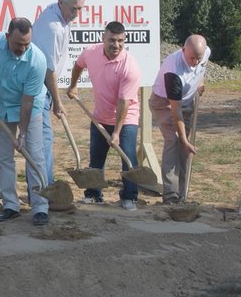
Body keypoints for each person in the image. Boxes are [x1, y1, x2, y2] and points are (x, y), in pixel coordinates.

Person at [0, 17, 49, 226]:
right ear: (7, 37)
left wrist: (22, 135)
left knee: (34, 154)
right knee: (4, 156)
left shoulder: (37, 61)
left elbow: (27, 102)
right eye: (18, 44)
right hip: (1, 105)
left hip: (29, 108)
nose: (23, 48)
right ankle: (11, 205)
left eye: (27, 43)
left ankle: (40, 207)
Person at [66, 21, 141, 210]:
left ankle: (129, 196)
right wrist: (73, 84)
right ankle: (93, 194)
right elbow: (78, 65)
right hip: (100, 116)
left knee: (128, 157)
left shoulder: (130, 66)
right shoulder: (91, 52)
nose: (116, 45)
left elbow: (124, 102)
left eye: (121, 41)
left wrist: (116, 132)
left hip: (126, 117)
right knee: (96, 158)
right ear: (103, 39)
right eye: (112, 40)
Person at [32, 0, 88, 184]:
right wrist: (57, 101)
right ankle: (44, 190)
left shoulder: (60, 15)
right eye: (73, 8)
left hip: (43, 86)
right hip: (37, 87)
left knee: (43, 139)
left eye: (80, 8)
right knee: (43, 140)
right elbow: (49, 69)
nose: (76, 13)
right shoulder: (53, 27)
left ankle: (45, 187)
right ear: (60, 2)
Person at [149, 35, 210, 204]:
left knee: (184, 149)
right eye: (192, 58)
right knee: (175, 141)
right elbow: (175, 111)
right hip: (164, 103)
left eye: (199, 57)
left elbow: (202, 67)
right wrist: (184, 139)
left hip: (187, 100)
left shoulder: (204, 53)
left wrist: (200, 82)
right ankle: (170, 196)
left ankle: (182, 193)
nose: (196, 61)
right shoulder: (173, 71)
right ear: (183, 50)